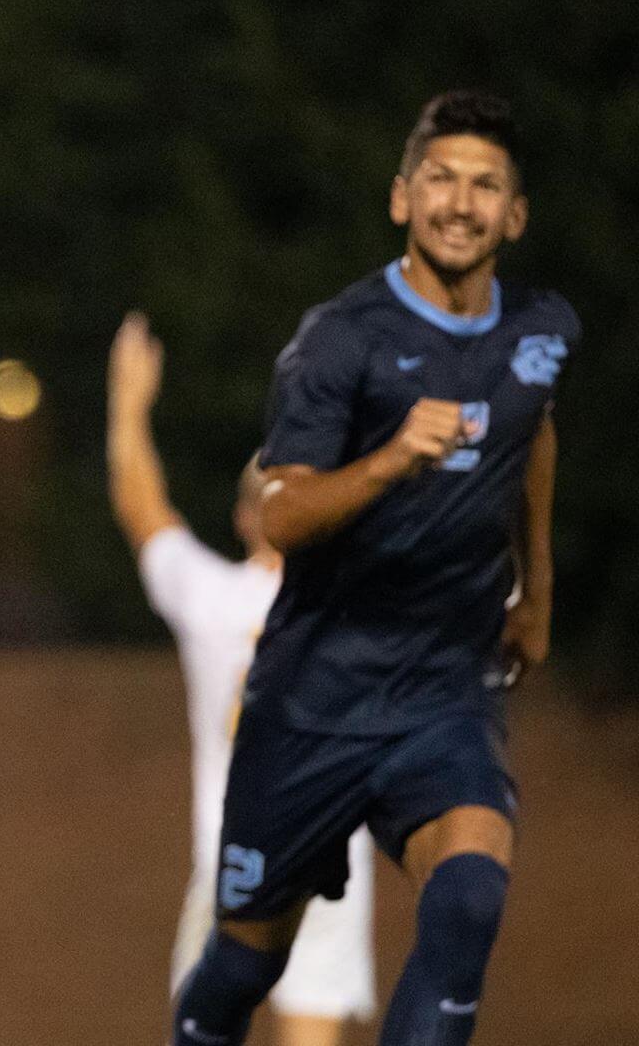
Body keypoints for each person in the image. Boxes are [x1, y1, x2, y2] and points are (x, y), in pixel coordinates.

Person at [170, 91, 577, 1046]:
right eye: (441, 179)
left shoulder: (541, 330)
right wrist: (392, 459)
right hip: (313, 700)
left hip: (445, 690)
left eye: (486, 186)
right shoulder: (337, 340)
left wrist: (538, 591)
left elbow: (534, 431)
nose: (461, 203)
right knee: (241, 970)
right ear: (402, 198)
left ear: (514, 215)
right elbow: (280, 510)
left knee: (471, 893)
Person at [108, 311, 374, 1046]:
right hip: (329, 848)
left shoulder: (214, 598)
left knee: (206, 1027)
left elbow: (141, 506)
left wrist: (127, 404)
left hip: (235, 848)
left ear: (243, 516)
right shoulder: (351, 604)